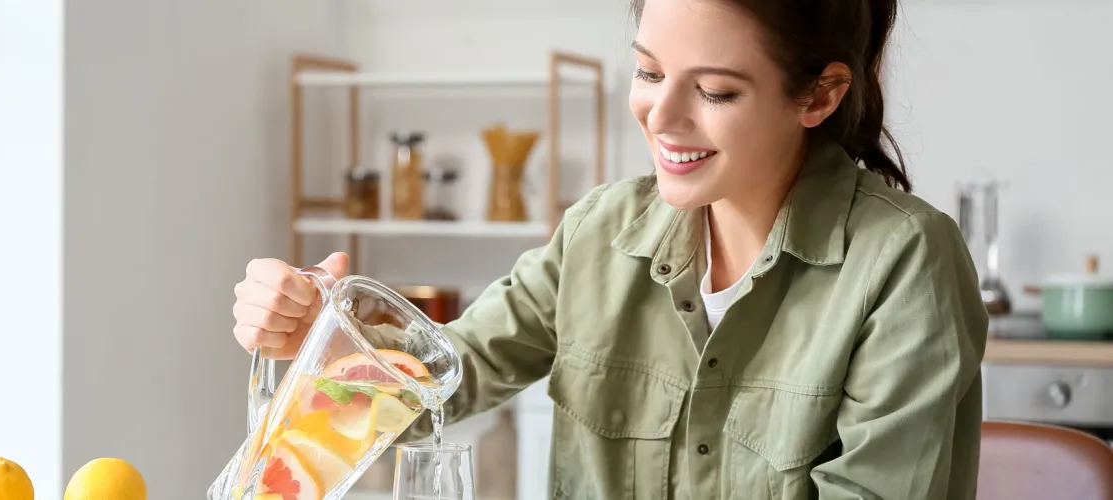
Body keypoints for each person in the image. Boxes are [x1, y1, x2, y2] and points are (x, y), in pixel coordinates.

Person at [232, 0, 988, 497]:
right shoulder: (599, 233)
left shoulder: (904, 263)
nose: (660, 115)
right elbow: (442, 378)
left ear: (819, 95)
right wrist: (318, 338)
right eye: (649, 72)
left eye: (715, 92)